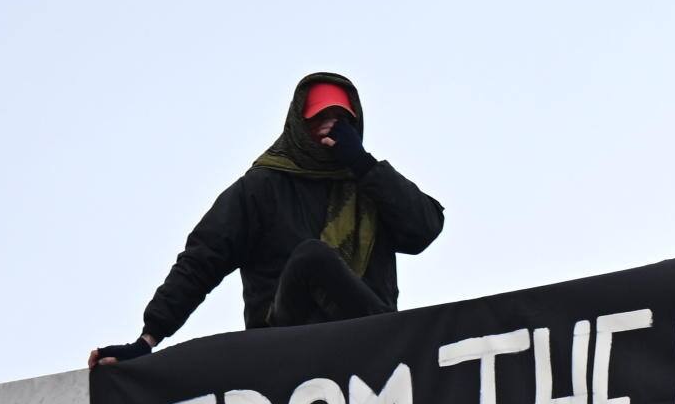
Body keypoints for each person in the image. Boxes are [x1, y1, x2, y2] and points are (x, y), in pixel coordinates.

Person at [90, 72, 445, 365]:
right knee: (312, 257)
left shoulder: (369, 185)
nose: (330, 126)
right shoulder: (262, 188)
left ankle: (390, 343)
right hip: (285, 340)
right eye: (319, 117)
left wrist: (363, 164)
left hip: (363, 342)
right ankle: (391, 340)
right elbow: (202, 259)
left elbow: (424, 228)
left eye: (341, 120)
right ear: (298, 124)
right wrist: (147, 338)